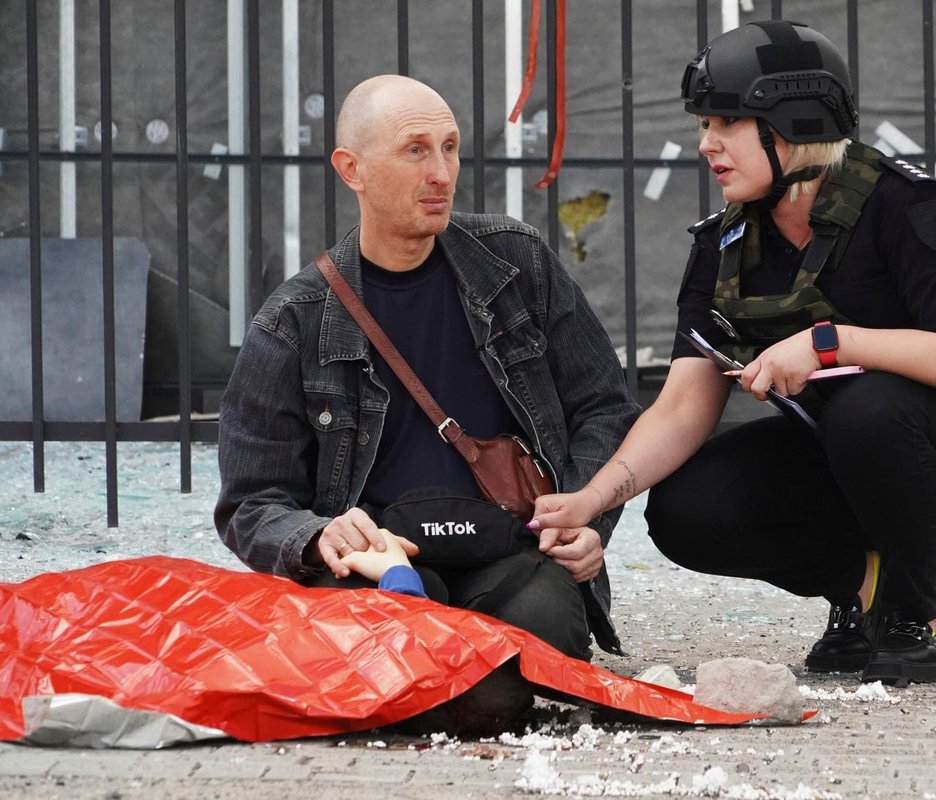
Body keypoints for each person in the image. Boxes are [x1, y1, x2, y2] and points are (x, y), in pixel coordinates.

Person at [529, 20, 936, 686]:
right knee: (688, 505)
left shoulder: (908, 209)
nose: (706, 144)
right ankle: (864, 590)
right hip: (851, 458)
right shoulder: (724, 246)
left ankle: (912, 616)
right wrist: (594, 498)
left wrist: (828, 343)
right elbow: (682, 407)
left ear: (793, 125)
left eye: (726, 122)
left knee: (871, 405)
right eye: (704, 124)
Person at [215, 75, 639, 668]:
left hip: (512, 548)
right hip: (379, 562)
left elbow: (605, 406)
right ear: (351, 169)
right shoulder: (294, 321)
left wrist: (584, 510)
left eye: (449, 147)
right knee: (390, 658)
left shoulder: (516, 264)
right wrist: (317, 537)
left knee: (543, 650)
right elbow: (252, 500)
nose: (441, 173)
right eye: (415, 150)